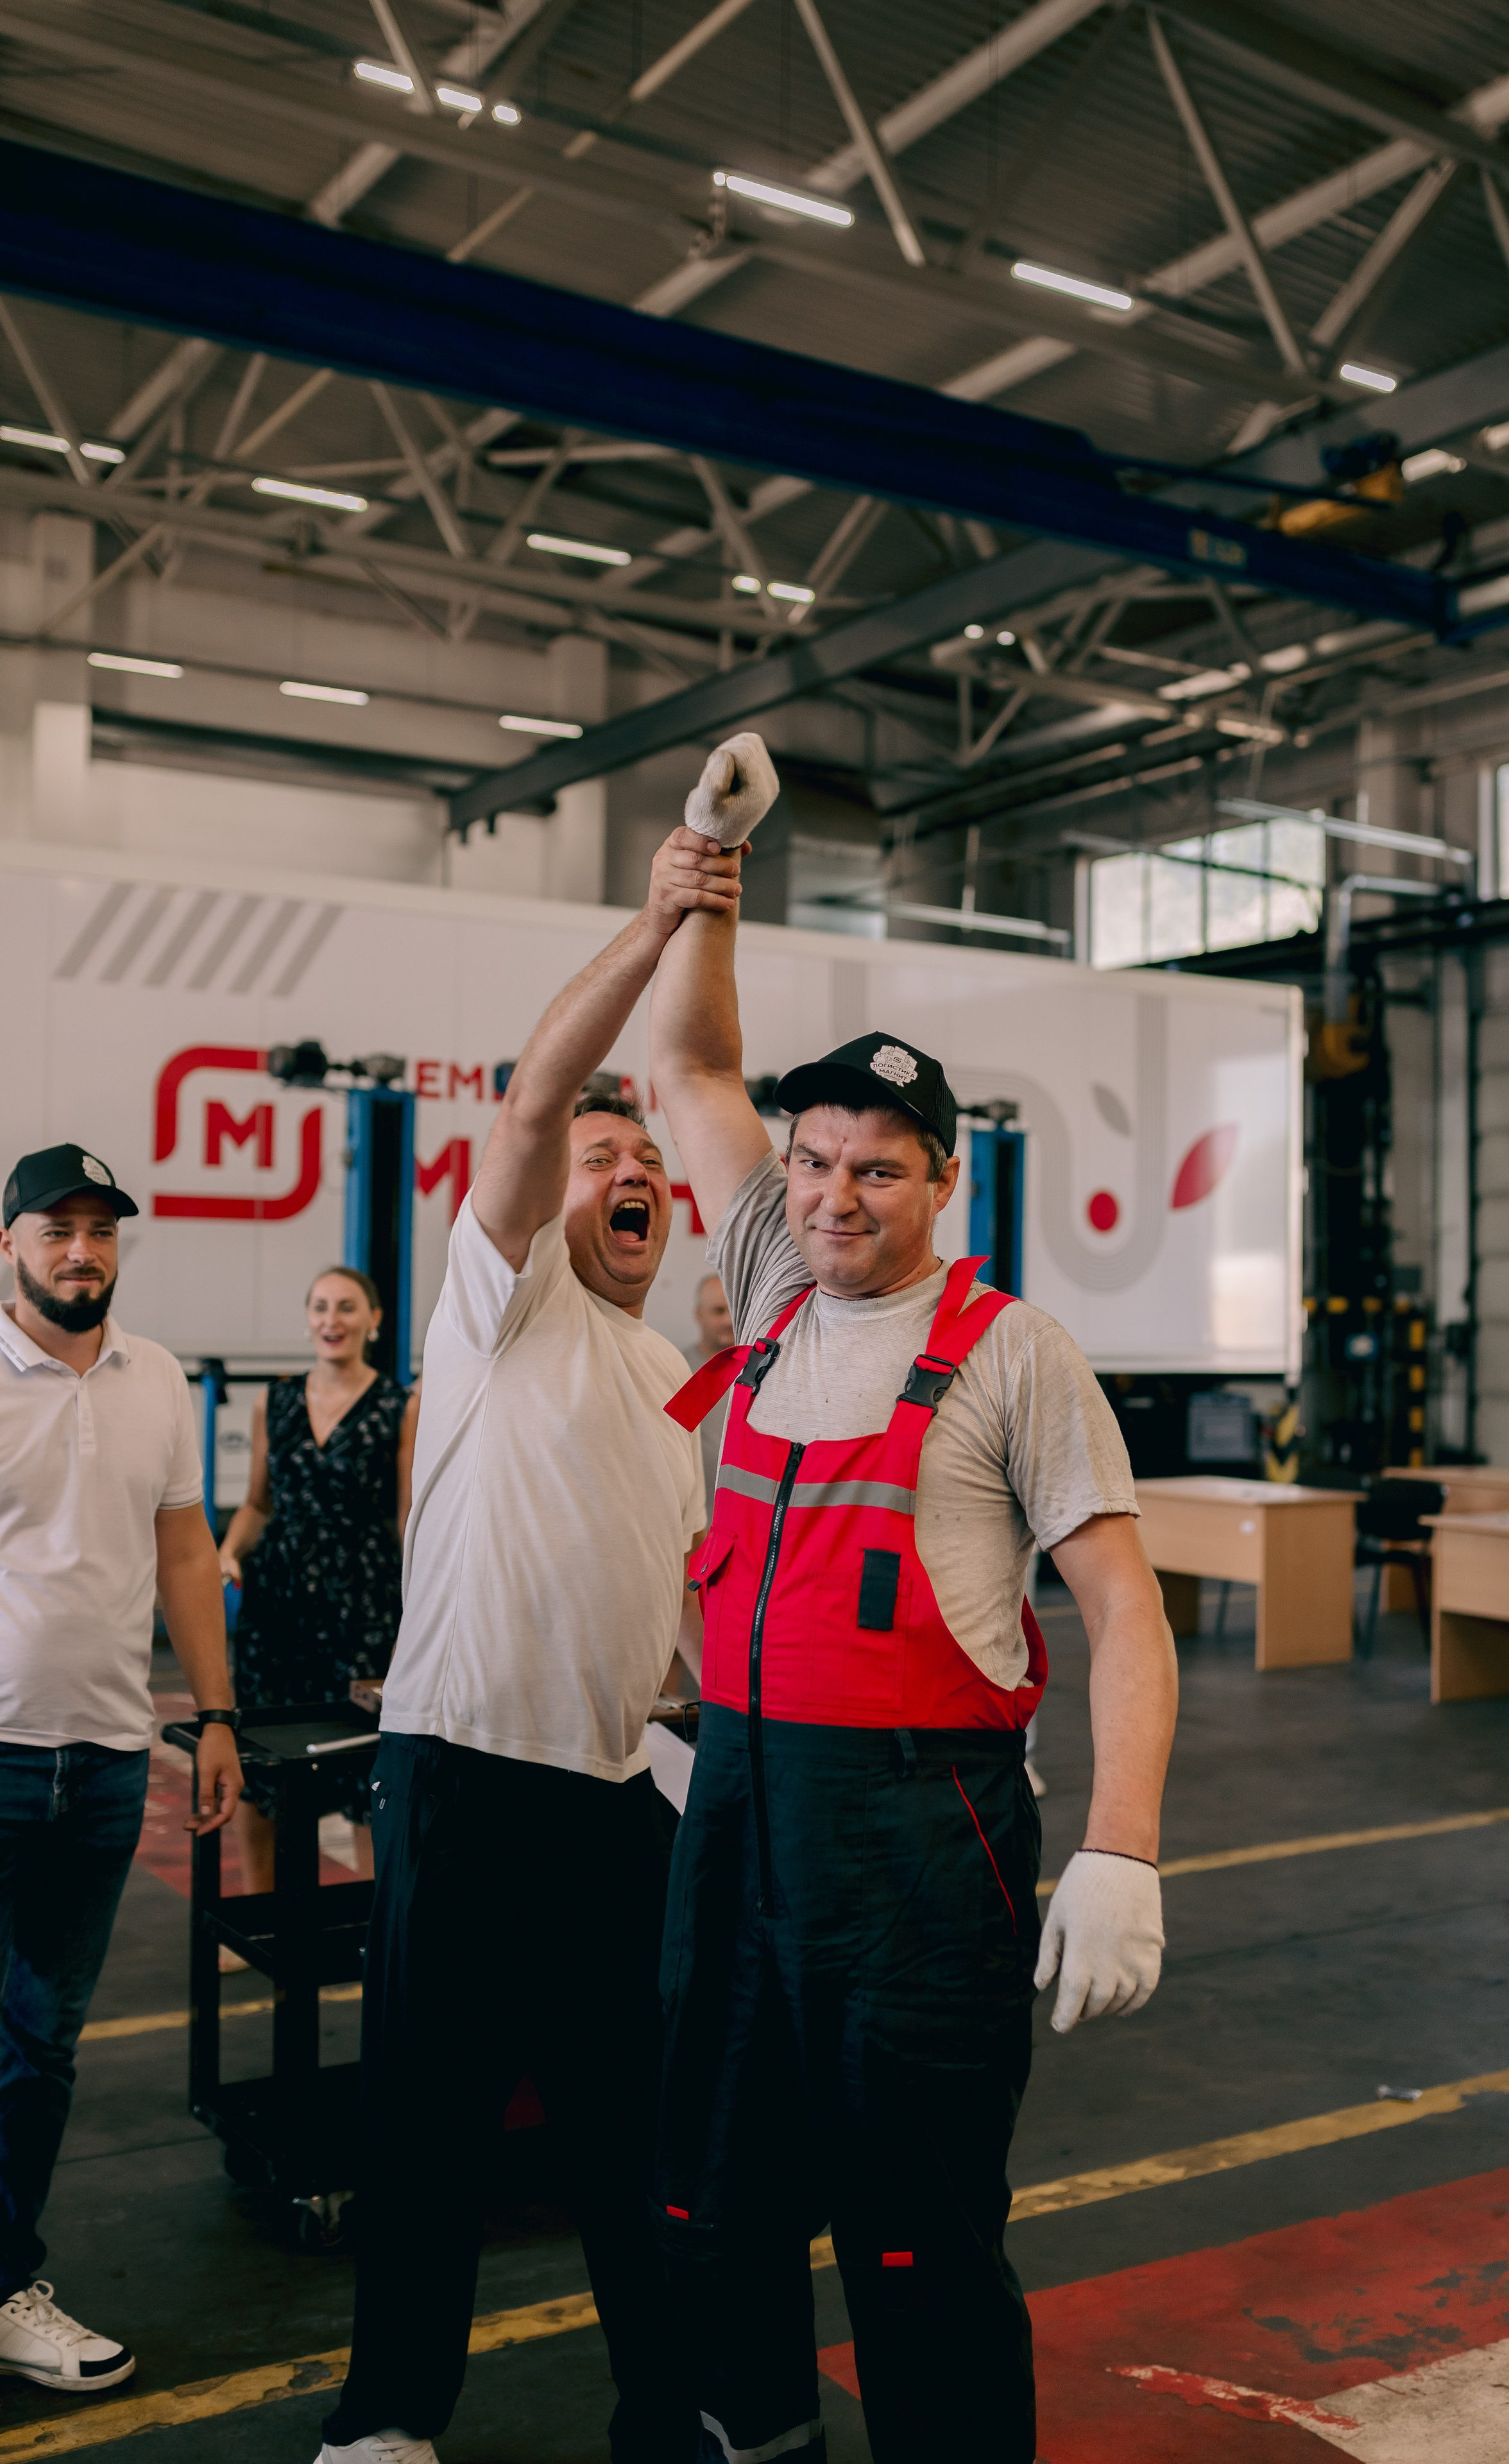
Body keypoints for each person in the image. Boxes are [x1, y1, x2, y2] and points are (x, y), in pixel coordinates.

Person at [647, 783, 1179, 2464]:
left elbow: (1124, 1609)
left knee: (913, 2237)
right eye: (811, 1164)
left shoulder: (1015, 1354)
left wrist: (1125, 1847)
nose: (830, 1194)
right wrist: (708, 882)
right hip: (733, 1818)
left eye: (877, 1169)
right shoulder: (781, 1280)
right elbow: (691, 1072)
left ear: (944, 1178)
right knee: (715, 2200)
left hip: (919, 1844)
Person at [314, 809, 753, 2464]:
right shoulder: (506, 1302)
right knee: (427, 2122)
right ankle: (387, 2418)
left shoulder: (671, 1381)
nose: (633, 1174)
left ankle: (663, 2409)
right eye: (605, 1158)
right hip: (467, 1770)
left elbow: (671, 1589)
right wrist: (654, 927)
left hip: (614, 1789)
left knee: (630, 2133)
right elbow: (530, 1102)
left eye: (652, 1168)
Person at [0, 1144, 241, 2396]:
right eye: (57, 1230)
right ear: (9, 1246)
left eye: (99, 1230)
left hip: (98, 1765)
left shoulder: (153, 1381)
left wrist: (213, 1716)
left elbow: (187, 1552)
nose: (81, 1251)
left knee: (40, 2046)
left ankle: (3, 2282)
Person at [219, 1269, 417, 1887]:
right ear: (308, 1318)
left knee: (368, 1771)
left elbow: (407, 1515)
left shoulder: (400, 1405)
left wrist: (425, 1604)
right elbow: (258, 1504)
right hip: (276, 1609)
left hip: (364, 1608)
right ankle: (263, 1913)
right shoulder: (271, 1402)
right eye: (322, 1307)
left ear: (374, 1320)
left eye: (348, 1307)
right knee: (264, 1772)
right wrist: (228, 1553)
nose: (332, 1319)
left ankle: (367, 1931)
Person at [688, 1271, 737, 1502]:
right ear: (699, 1315)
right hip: (695, 1527)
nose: (728, 1320)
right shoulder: (679, 1371)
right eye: (718, 1311)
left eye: (733, 1309)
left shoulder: (765, 1371)